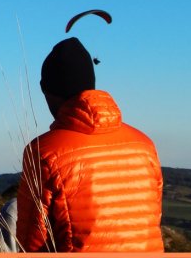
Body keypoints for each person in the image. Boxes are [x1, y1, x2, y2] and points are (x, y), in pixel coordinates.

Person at [16, 37, 164, 252]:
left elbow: (31, 241)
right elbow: (152, 218)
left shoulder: (44, 151)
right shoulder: (145, 145)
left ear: (46, 90)